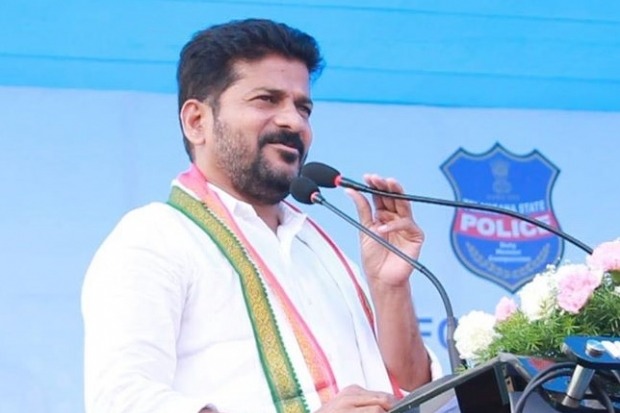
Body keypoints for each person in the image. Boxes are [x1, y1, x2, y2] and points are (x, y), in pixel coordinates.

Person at [82, 18, 441, 413]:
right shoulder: (154, 238)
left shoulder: (317, 247)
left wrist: (390, 289)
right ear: (197, 121)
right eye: (266, 100)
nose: (294, 121)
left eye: (303, 108)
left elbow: (412, 389)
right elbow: (122, 400)